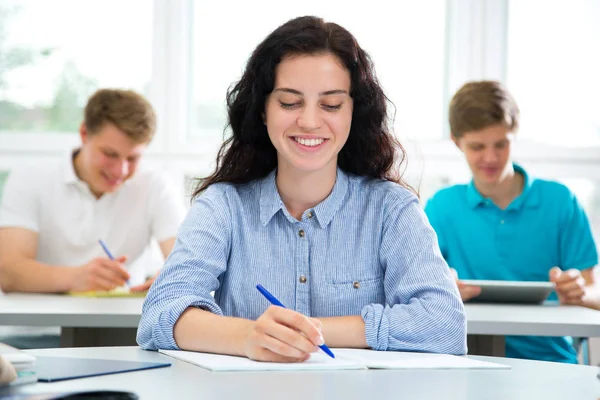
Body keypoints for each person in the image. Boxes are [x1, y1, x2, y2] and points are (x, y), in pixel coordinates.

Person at [137, 16, 466, 362]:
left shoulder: (391, 209)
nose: (309, 121)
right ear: (263, 110)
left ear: (354, 111)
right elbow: (158, 315)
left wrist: (306, 332)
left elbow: (445, 325)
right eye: (290, 102)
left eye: (332, 105)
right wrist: (249, 336)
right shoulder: (223, 207)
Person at [425, 80, 600, 364]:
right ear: (457, 142)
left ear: (514, 135)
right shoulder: (442, 207)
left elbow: (595, 291)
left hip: (548, 362)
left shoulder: (560, 201)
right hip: (466, 361)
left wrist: (580, 291)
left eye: (501, 144)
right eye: (477, 146)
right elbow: (414, 292)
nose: (491, 157)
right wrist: (441, 289)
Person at [0, 89, 186, 347]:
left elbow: (185, 261)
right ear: (84, 133)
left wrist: (170, 278)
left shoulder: (156, 185)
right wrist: (76, 277)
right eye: (110, 154)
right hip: (36, 334)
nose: (120, 170)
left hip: (125, 335)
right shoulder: (30, 178)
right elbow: (8, 272)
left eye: (132, 158)